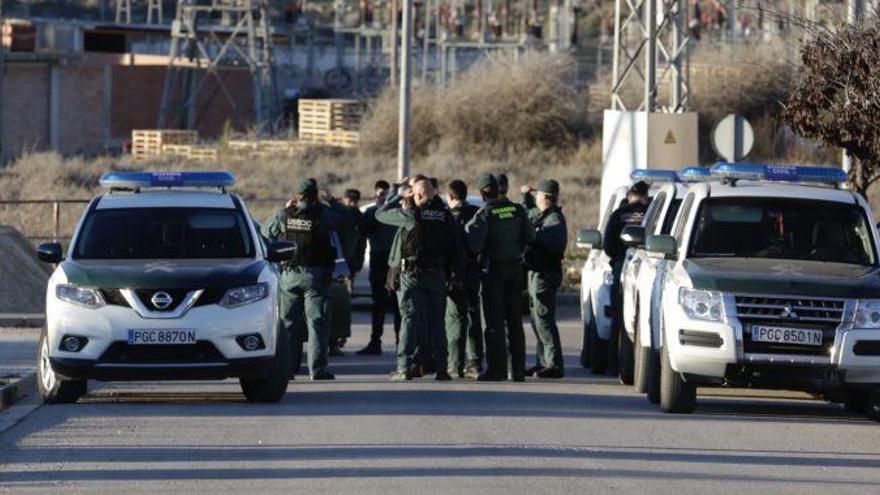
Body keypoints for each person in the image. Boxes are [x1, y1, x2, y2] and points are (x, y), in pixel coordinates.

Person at [378, 177, 461, 381]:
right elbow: (455, 244)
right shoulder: (445, 215)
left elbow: (380, 214)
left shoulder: (410, 215)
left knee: (409, 319)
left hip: (411, 274)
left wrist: (397, 195)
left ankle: (404, 367)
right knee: (437, 322)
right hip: (437, 274)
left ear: (417, 195)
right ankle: (442, 369)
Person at [262, 178, 339, 381]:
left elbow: (265, 231)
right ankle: (317, 369)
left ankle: (288, 368)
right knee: (317, 323)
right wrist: (331, 201)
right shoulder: (324, 215)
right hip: (316, 275)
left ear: (296, 196)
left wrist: (286, 210)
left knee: (288, 323)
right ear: (315, 196)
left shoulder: (284, 215)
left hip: (290, 275)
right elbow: (344, 222)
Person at [466, 173, 534, 382]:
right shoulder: (518, 209)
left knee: (494, 323)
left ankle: (497, 369)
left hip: (493, 271)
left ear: (483, 193)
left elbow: (473, 243)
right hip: (515, 269)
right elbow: (530, 237)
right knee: (514, 321)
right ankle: (518, 370)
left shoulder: (486, 213)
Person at [602, 180, 650, 375]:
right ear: (646, 196)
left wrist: (618, 259)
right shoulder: (652, 213)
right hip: (647, 270)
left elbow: (607, 246)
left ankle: (615, 365)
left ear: (630, 195)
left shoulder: (617, 215)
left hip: (622, 268)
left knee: (619, 318)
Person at [522, 180, 568, 378]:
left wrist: (537, 236)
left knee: (544, 318)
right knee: (536, 320)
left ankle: (554, 364)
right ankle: (543, 361)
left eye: (538, 195)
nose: (536, 198)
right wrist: (526, 197)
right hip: (536, 272)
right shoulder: (543, 216)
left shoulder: (554, 219)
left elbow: (555, 245)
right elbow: (527, 214)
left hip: (546, 273)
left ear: (545, 197)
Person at [356, 181, 401, 355]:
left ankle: (400, 342)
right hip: (378, 258)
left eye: (386, 194)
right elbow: (363, 230)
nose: (382, 198)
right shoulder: (371, 212)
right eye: (380, 194)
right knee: (378, 304)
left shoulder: (397, 212)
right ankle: (375, 342)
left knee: (398, 305)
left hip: (395, 259)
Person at [444, 179, 483, 379]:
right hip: (473, 272)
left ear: (450, 197)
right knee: (473, 316)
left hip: (454, 274)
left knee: (454, 319)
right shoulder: (477, 213)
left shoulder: (448, 218)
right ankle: (475, 362)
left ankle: (455, 364)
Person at [325, 188, 364, 357]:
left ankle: (336, 341)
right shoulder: (336, 214)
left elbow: (360, 244)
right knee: (334, 307)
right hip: (334, 268)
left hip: (345, 269)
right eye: (350, 201)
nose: (353, 204)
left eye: (355, 201)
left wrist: (356, 265)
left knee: (341, 307)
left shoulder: (354, 217)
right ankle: (333, 341)